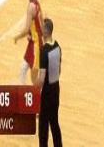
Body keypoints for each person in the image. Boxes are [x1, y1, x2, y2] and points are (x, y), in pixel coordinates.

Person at [36, 18, 63, 147]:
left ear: (46, 31)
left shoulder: (44, 51)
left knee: (43, 126)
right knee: (54, 122)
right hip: (56, 90)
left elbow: (41, 78)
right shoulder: (58, 46)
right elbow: (59, 70)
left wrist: (34, 91)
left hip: (46, 93)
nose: (40, 29)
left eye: (41, 28)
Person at [14, 0, 44, 85]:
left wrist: (17, 37)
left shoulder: (31, 6)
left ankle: (42, 95)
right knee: (23, 68)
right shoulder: (36, 2)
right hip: (34, 42)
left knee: (34, 81)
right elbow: (41, 23)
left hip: (36, 45)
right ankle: (23, 92)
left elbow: (26, 30)